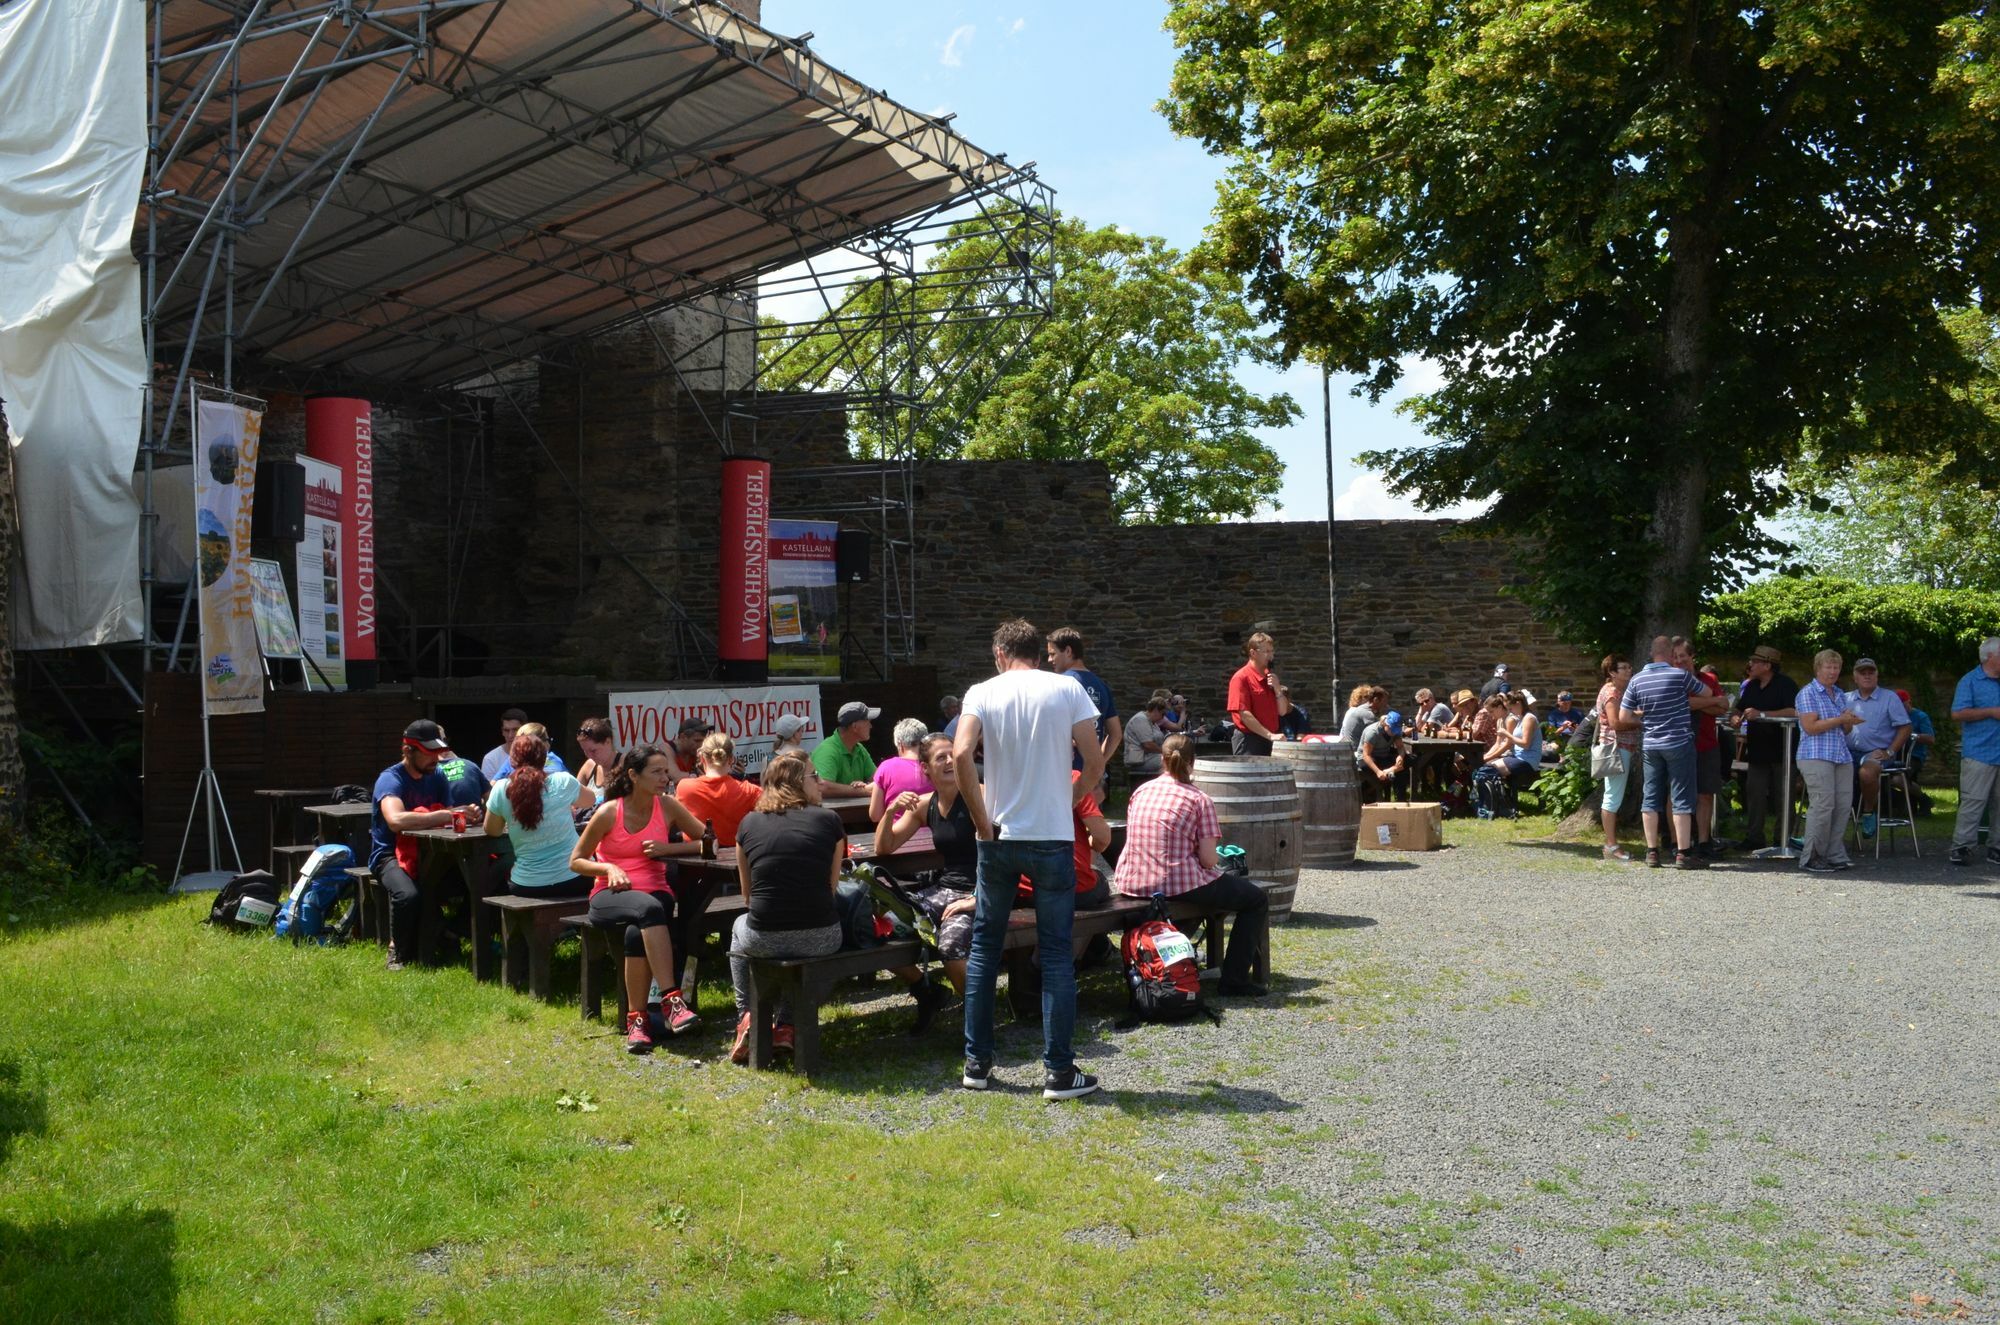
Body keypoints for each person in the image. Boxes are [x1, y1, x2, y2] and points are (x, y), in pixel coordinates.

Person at [952, 618, 1106, 1101]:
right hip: (1051, 835)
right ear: (1039, 654)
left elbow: (960, 754)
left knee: (984, 949)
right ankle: (1058, 1072)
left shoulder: (982, 691)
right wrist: (1069, 798)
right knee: (1057, 953)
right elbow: (1095, 760)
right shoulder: (1066, 689)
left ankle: (976, 1064)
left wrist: (981, 821)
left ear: (1000, 654)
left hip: (998, 834)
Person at [727, 752, 946, 1065]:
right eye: (814, 776)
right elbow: (830, 890)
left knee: (739, 925)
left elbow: (748, 896)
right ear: (795, 783)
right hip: (820, 936)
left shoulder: (748, 824)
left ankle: (747, 1016)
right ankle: (787, 1025)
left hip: (763, 937)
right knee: (829, 944)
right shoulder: (829, 821)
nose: (820, 783)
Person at [570, 746, 707, 1051]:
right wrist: (608, 867)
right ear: (633, 775)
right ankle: (672, 1000)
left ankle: (637, 1022)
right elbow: (576, 861)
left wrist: (668, 849)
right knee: (648, 908)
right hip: (610, 894)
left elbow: (707, 842)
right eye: (656, 772)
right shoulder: (609, 812)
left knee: (638, 930)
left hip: (656, 890)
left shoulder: (667, 805)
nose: (665, 778)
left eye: (665, 771)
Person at [1114, 733, 1269, 996]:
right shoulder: (1198, 799)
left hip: (1133, 880)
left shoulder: (1140, 792)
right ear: (1192, 762)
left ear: (1162, 760)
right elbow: (1208, 860)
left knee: (1208, 892)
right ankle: (1234, 980)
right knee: (1255, 900)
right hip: (1174, 882)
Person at [369, 720, 479, 971]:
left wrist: (467, 815)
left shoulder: (437, 775)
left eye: (438, 751)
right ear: (408, 751)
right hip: (389, 855)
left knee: (479, 881)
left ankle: (447, 932)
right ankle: (397, 952)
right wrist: (446, 815)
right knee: (408, 895)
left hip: (433, 853)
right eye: (429, 752)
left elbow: (448, 815)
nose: (436, 758)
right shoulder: (390, 779)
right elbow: (395, 820)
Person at [1618, 635, 1721, 869]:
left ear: (1651, 653)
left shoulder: (1637, 680)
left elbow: (1624, 716)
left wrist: (1646, 721)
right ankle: (1683, 854)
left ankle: (1652, 852)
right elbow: (1707, 693)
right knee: (1681, 797)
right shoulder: (1679, 675)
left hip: (1651, 744)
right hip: (1679, 742)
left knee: (1651, 797)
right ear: (1670, 655)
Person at [483, 728, 596, 897]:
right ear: (544, 758)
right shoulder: (562, 781)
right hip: (575, 878)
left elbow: (492, 830)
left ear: (511, 761)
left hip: (527, 885)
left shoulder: (501, 789)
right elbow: (590, 800)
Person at [1793, 649, 1861, 874]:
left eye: (1836, 667)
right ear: (1818, 669)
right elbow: (1810, 727)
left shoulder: (1839, 693)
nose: (1833, 671)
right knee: (1822, 806)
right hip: (1815, 754)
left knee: (1842, 807)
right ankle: (1811, 857)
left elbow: (1845, 729)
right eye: (1828, 667)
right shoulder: (1808, 693)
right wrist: (1840, 719)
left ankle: (1833, 854)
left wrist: (1848, 721)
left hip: (1840, 755)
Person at [1735, 644, 1800, 852]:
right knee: (1754, 794)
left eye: (1755, 661)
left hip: (1783, 750)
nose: (1750, 664)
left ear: (1767, 665)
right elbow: (1739, 709)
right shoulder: (1751, 686)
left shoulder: (1786, 685)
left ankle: (1783, 839)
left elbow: (1794, 711)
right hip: (1757, 751)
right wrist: (1735, 717)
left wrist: (1762, 714)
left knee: (1784, 796)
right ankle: (1754, 837)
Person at [1670, 638, 1726, 858]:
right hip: (1676, 745)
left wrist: (1699, 704)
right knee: (1674, 795)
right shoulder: (1670, 679)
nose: (1678, 660)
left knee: (1705, 793)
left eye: (1682, 656)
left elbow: (1723, 707)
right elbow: (1686, 704)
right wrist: (1710, 701)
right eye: (1674, 657)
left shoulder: (1709, 679)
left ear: (1692, 656)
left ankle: (1704, 842)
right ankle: (1677, 842)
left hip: (1705, 743)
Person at [1843, 658, 1911, 838]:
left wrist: (1890, 751)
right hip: (1846, 752)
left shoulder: (1889, 697)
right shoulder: (1845, 698)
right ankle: (1828, 826)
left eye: (1870, 673)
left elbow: (1905, 727)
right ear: (1855, 677)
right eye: (1862, 673)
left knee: (1867, 773)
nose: (1867, 676)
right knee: (1826, 771)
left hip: (1876, 752)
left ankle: (1868, 811)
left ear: (1877, 675)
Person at [1948, 637, 2000, 868]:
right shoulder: (1970, 681)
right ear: (1990, 657)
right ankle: (1961, 847)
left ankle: (1996, 848)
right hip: (1979, 752)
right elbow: (1957, 713)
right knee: (1973, 801)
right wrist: (1990, 712)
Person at [1047, 626, 1121, 776]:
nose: (1049, 659)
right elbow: (1116, 734)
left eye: (1052, 654)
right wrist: (1099, 764)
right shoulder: (1101, 686)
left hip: (1063, 774)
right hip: (1091, 778)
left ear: (1068, 651)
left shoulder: (1058, 685)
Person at [672, 732, 761, 847]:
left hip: (697, 856)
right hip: (735, 855)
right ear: (731, 759)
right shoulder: (750, 791)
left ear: (702, 758)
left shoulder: (685, 787)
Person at [1593, 655, 1638, 862]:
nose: (1629, 670)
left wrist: (1636, 714)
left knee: (1613, 795)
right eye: (1624, 667)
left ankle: (1611, 844)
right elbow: (1615, 723)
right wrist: (1641, 722)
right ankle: (1611, 846)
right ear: (1612, 672)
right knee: (1613, 797)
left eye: (1629, 666)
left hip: (1619, 748)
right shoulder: (1611, 692)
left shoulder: (1616, 690)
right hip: (1616, 749)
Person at [1475, 692, 1542, 818]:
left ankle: (1498, 806)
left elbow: (1525, 744)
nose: (1510, 712)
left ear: (1519, 704)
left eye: (1511, 708)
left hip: (1527, 760)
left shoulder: (1529, 718)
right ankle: (1492, 804)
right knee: (1484, 770)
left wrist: (1507, 734)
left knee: (1486, 771)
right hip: (1518, 757)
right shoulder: (1521, 718)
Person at [1226, 631, 1291, 756]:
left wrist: (1277, 689)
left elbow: (1282, 711)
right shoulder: (1241, 678)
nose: (1271, 656)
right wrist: (1269, 735)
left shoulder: (1270, 678)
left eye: (1272, 651)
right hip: (1249, 741)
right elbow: (1245, 715)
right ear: (1253, 653)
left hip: (1271, 738)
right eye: (1266, 651)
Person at [868, 718, 934, 824]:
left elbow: (875, 815)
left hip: (897, 832)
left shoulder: (886, 767)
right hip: (934, 830)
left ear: (900, 745)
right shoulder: (937, 765)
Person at [811, 701, 878, 796]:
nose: (870, 726)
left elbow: (880, 781)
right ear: (855, 727)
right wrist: (861, 790)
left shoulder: (859, 748)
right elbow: (822, 786)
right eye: (867, 721)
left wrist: (865, 786)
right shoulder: (827, 750)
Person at [1356, 711, 1409, 803]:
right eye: (1392, 730)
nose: (1394, 733)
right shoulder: (1373, 732)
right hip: (1368, 757)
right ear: (1386, 724)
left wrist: (1400, 756)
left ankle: (1401, 799)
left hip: (1384, 755)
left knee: (1408, 761)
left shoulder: (1395, 732)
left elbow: (1400, 747)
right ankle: (1391, 770)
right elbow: (1366, 755)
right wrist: (1378, 771)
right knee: (1369, 766)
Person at [1896, 688, 1936, 808]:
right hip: (1895, 754)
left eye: (1903, 705)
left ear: (1909, 702)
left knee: (1898, 779)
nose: (1900, 709)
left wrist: (1912, 735)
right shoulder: (1892, 716)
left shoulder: (1920, 716)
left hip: (1914, 755)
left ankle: (1923, 799)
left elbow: (1930, 739)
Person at [1124, 696, 1170, 776]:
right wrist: (1166, 752)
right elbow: (1148, 744)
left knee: (1175, 760)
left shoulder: (1152, 722)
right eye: (1163, 714)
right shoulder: (1140, 719)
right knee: (1172, 760)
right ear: (1156, 710)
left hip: (1151, 756)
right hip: (1140, 760)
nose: (1163, 717)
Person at [480, 708, 530, 781]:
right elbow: (488, 788)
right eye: (506, 730)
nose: (510, 735)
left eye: (515, 730)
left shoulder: (539, 755)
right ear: (502, 732)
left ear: (526, 730)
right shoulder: (490, 759)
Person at [575, 717, 617, 798]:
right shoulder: (589, 766)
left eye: (593, 751)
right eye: (585, 751)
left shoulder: (625, 764)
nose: (589, 756)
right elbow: (575, 798)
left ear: (608, 742)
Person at [669, 716, 712, 783]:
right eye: (697, 741)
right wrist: (703, 776)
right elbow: (676, 777)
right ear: (683, 737)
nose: (701, 745)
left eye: (703, 741)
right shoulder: (667, 749)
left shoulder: (695, 751)